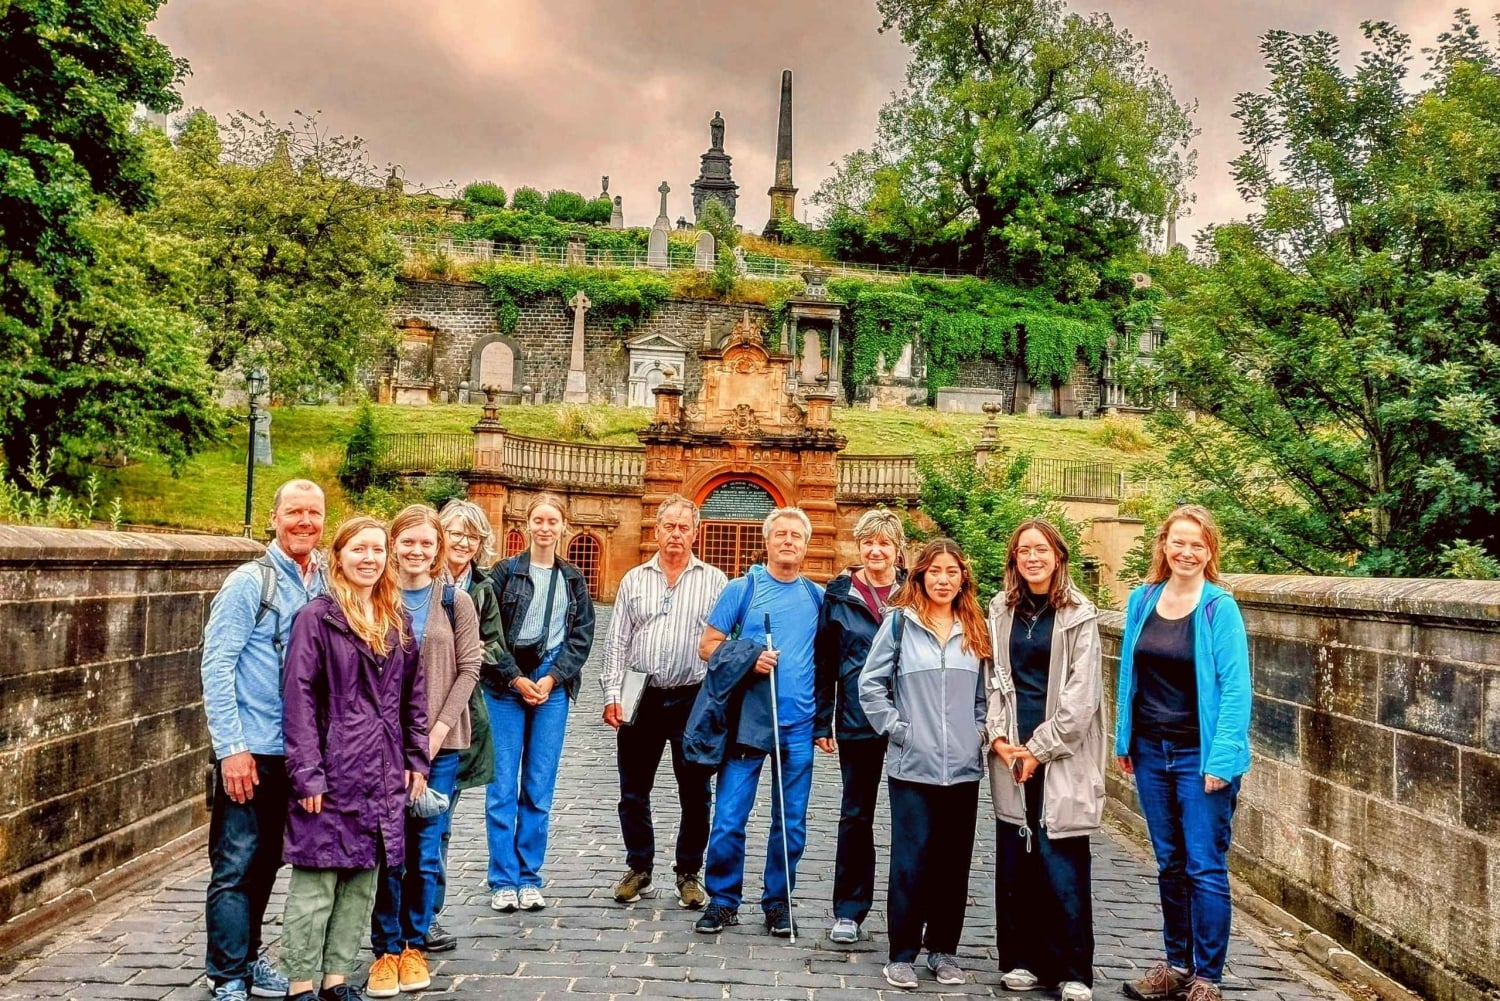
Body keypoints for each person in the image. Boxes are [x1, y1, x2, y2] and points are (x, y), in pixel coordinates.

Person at [279, 517, 428, 1001]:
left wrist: (416, 758)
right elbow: (298, 700)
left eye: (377, 550)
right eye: (359, 549)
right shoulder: (317, 618)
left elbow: (413, 698)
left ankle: (337, 981)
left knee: (362, 882)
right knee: (317, 882)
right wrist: (306, 774)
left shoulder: (396, 618)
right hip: (331, 767)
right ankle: (302, 984)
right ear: (338, 556)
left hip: (383, 771)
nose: (370, 558)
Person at [1115, 506, 1251, 1001]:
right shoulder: (1142, 599)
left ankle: (1207, 977)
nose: (1187, 552)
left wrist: (1222, 759)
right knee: (1169, 862)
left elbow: (1237, 689)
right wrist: (1124, 739)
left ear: (1210, 550)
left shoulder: (1219, 608)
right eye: (1179, 542)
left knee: (1204, 866)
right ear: (1164, 545)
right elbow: (1130, 674)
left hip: (1201, 755)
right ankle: (1176, 964)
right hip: (1152, 751)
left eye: (1197, 544)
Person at [200, 479, 326, 1001]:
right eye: (294, 512)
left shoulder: (321, 583)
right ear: (274, 518)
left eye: (313, 513)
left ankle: (248, 960)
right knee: (235, 864)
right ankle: (226, 973)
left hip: (294, 752)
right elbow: (216, 663)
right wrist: (231, 748)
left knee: (270, 858)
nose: (304, 522)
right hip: (249, 749)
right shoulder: (250, 582)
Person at [858, 538, 989, 991]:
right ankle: (902, 953)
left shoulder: (975, 625)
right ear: (920, 576)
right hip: (911, 764)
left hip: (963, 768)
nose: (943, 579)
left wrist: (979, 733)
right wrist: (899, 729)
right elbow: (870, 685)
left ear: (962, 578)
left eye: (952, 572)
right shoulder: (899, 623)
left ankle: (944, 950)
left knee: (954, 862)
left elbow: (984, 696)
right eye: (935, 571)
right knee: (911, 860)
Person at [687, 507, 824, 937]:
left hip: (797, 724)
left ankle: (778, 902)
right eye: (780, 534)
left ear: (805, 544)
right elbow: (707, 646)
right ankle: (724, 899)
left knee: (792, 822)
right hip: (748, 721)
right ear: (766, 542)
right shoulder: (741, 590)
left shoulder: (816, 597)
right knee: (729, 816)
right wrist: (748, 656)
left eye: (795, 536)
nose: (788, 541)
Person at [366, 506, 483, 998]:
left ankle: (414, 940)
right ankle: (385, 948)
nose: (417, 551)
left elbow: (470, 667)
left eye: (426, 544)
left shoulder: (455, 600)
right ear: (393, 544)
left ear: (438, 550)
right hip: (381, 747)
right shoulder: (374, 596)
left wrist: (436, 732)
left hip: (441, 745)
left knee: (425, 849)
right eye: (408, 542)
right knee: (386, 851)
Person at [986, 519, 1103, 1001]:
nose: (1032, 558)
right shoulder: (1000, 609)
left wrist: (1038, 749)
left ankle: (1073, 967)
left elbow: (1082, 696)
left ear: (1058, 555)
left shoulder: (1079, 613)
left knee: (1063, 857)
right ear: (1014, 560)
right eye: (1023, 551)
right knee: (1017, 856)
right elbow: (993, 679)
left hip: (1061, 753)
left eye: (1041, 550)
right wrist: (1000, 739)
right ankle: (1021, 959)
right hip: (1012, 751)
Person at [601, 494, 726, 909]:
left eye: (683, 527)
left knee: (695, 790)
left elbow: (726, 641)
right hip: (642, 694)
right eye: (668, 526)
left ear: (696, 532)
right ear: (656, 530)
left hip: (693, 696)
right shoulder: (635, 579)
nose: (676, 534)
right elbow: (617, 642)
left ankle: (689, 872)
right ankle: (639, 867)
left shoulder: (715, 580)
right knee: (633, 790)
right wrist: (612, 695)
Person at [483, 493, 596, 913]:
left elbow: (581, 638)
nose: (545, 527)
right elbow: (488, 634)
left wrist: (550, 678)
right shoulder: (504, 573)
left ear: (563, 527)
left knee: (539, 786)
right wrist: (515, 678)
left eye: (553, 521)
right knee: (502, 787)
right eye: (538, 520)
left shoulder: (573, 579)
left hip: (551, 683)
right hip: (505, 686)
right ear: (527, 525)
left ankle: (529, 876)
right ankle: (502, 879)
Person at [813, 508, 908, 945]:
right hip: (856, 717)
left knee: (912, 819)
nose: (875, 550)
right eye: (868, 542)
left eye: (884, 543)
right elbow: (826, 662)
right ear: (859, 545)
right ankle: (849, 910)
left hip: (911, 720)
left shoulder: (916, 591)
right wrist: (823, 718)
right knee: (856, 815)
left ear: (897, 549)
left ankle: (911, 913)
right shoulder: (839, 594)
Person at [424, 498, 504, 951]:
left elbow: (493, 647)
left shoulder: (482, 589)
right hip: (411, 715)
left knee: (441, 821)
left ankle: (427, 913)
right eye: (456, 532)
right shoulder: (417, 580)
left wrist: (464, 656)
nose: (463, 542)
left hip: (459, 716)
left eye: (472, 536)